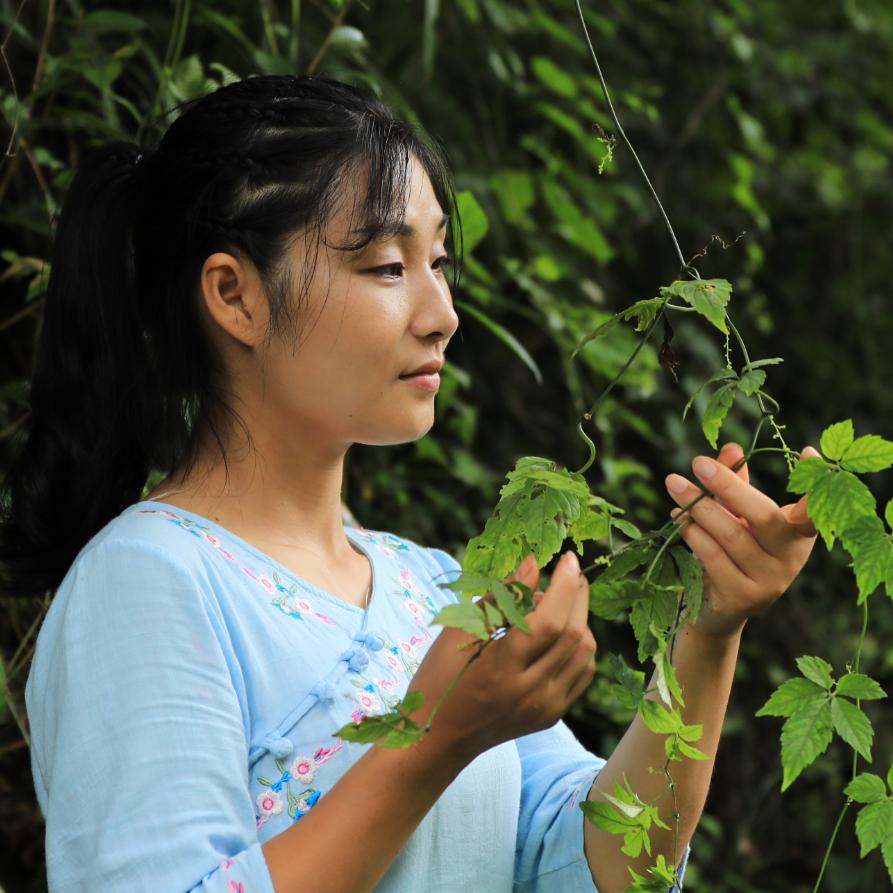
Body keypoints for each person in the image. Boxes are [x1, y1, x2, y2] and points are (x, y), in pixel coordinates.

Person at [0, 74, 819, 893]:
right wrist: (432, 736)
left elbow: (595, 864)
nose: (442, 313)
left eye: (438, 261)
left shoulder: (430, 586)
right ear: (235, 295)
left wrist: (707, 634)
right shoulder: (144, 582)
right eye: (388, 266)